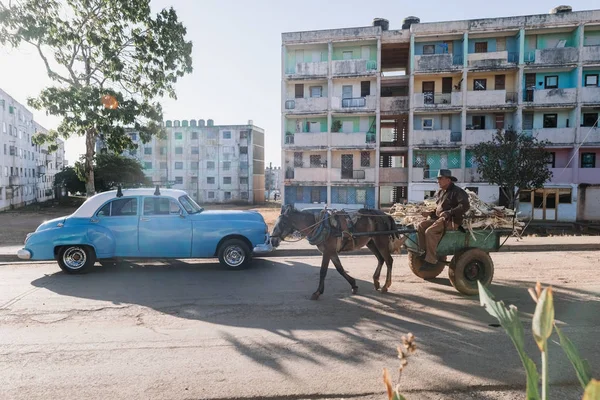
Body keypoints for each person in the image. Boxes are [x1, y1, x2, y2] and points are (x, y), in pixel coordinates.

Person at [417, 169, 470, 271]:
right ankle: (425, 252)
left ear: (448, 180)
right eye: (438, 179)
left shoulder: (458, 192)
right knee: (421, 225)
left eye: (440, 179)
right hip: (440, 219)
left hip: (452, 221)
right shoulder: (441, 192)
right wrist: (430, 213)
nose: (438, 181)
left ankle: (431, 261)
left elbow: (464, 206)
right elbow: (439, 209)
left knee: (430, 231)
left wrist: (449, 212)